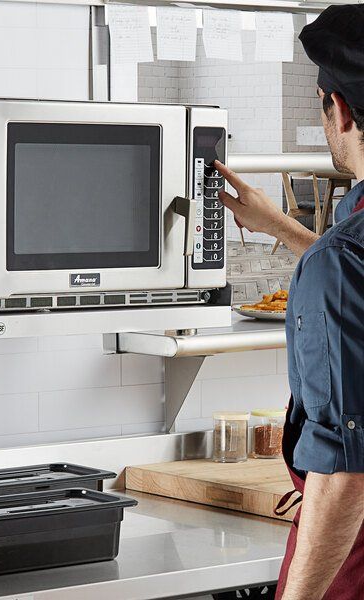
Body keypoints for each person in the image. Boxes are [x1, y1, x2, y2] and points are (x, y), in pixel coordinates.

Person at [214, 5, 364, 599]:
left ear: (341, 110)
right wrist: (284, 228)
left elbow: (347, 478)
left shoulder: (342, 261)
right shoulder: (341, 257)